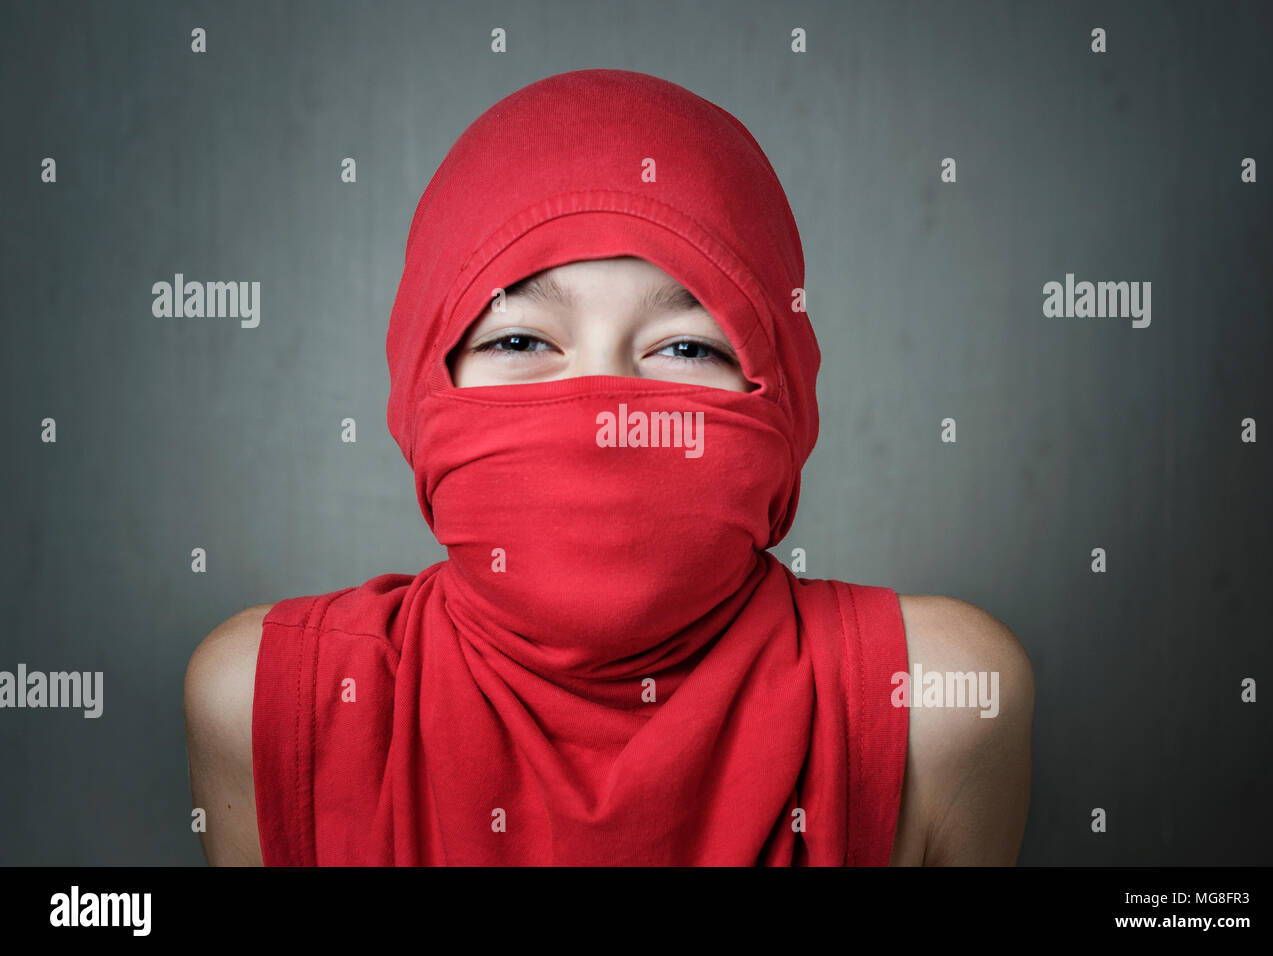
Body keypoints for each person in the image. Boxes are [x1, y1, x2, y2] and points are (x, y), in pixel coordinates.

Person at [184, 68, 1033, 866]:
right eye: (518, 339)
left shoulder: (938, 701)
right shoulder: (267, 704)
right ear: (421, 391)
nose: (611, 406)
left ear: (782, 400)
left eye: (688, 346)